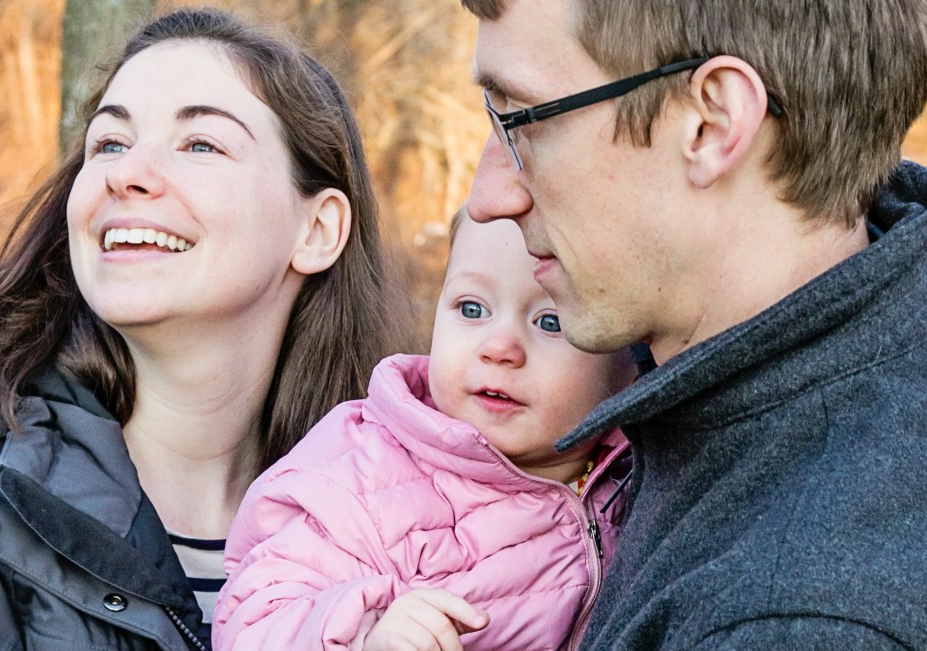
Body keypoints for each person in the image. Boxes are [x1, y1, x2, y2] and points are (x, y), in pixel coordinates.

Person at [460, 0, 927, 649]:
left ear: (713, 123)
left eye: (520, 119)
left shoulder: (789, 623)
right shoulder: (921, 338)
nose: (488, 197)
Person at [0, 8, 407, 650]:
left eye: (201, 144)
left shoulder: (416, 532)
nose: (125, 172)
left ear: (317, 231)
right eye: (109, 144)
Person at [213, 211, 637, 650]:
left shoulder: (644, 474)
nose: (499, 348)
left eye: (550, 321)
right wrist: (365, 639)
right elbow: (254, 620)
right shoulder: (362, 482)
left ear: (632, 357)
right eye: (472, 309)